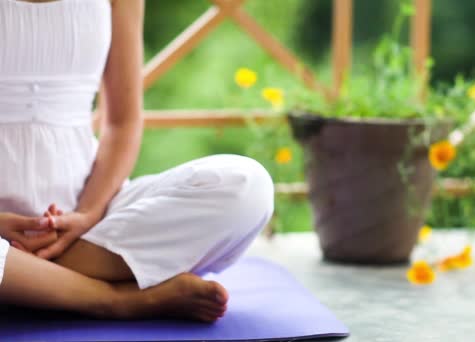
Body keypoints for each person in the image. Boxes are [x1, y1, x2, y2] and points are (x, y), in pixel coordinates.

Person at [0, 0, 274, 322]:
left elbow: (122, 122)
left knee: (246, 186)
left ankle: (29, 280)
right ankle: (112, 297)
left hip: (89, 221)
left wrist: (87, 214)